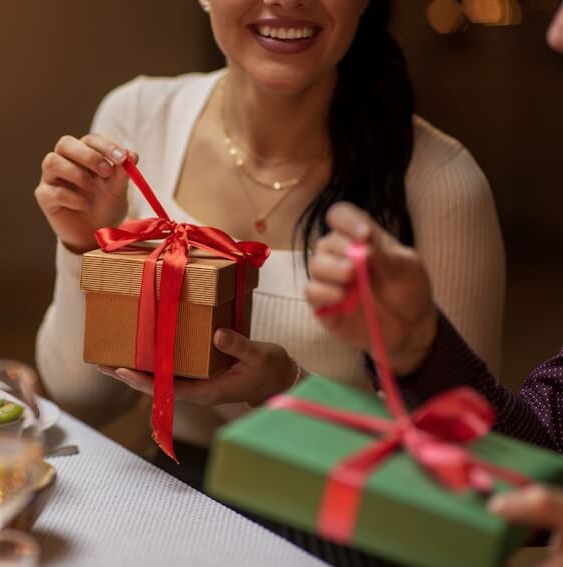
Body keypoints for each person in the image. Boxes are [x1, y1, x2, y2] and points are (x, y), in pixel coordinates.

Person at [34, 0, 505, 478]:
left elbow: (460, 463)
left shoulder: (442, 183)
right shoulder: (136, 121)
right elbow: (82, 400)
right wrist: (84, 248)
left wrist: (285, 389)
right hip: (178, 489)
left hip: (348, 523)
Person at [304, 1, 563, 554]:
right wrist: (421, 350)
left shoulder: (441, 177)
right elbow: (544, 466)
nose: (557, 33)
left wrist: (280, 387)